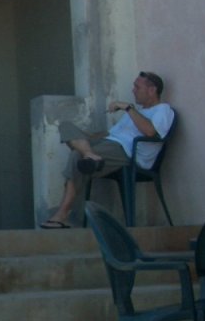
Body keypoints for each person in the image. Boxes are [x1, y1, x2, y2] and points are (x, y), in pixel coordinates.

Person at [40, 71, 175, 228]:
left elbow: (151, 132)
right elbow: (111, 134)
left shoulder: (163, 110)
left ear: (152, 90)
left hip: (125, 151)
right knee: (66, 126)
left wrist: (128, 108)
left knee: (76, 156)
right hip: (107, 144)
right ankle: (89, 154)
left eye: (137, 87)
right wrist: (86, 136)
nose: (133, 90)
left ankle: (61, 215)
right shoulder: (136, 113)